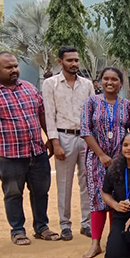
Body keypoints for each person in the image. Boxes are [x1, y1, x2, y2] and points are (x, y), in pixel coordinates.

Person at [0, 51, 59, 245]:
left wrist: (50, 137)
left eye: (15, 66)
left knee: (41, 191)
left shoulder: (29, 88)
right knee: (13, 193)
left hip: (36, 150)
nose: (14, 70)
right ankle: (17, 230)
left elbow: (41, 114)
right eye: (9, 67)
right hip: (8, 154)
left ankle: (41, 227)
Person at [79, 67, 130, 258]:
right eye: (106, 79)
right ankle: (95, 242)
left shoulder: (127, 105)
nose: (109, 83)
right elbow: (86, 130)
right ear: (100, 81)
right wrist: (102, 155)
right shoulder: (91, 103)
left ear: (121, 83)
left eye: (114, 79)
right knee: (97, 198)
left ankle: (114, 238)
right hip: (96, 159)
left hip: (120, 160)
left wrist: (122, 156)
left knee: (116, 197)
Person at [42, 46, 94, 240]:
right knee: (64, 183)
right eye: (70, 60)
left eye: (76, 60)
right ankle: (65, 225)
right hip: (63, 136)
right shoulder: (50, 84)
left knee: (87, 181)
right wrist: (54, 143)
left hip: (85, 137)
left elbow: (91, 112)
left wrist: (92, 140)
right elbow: (49, 114)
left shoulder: (87, 85)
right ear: (60, 61)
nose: (74, 64)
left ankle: (86, 223)